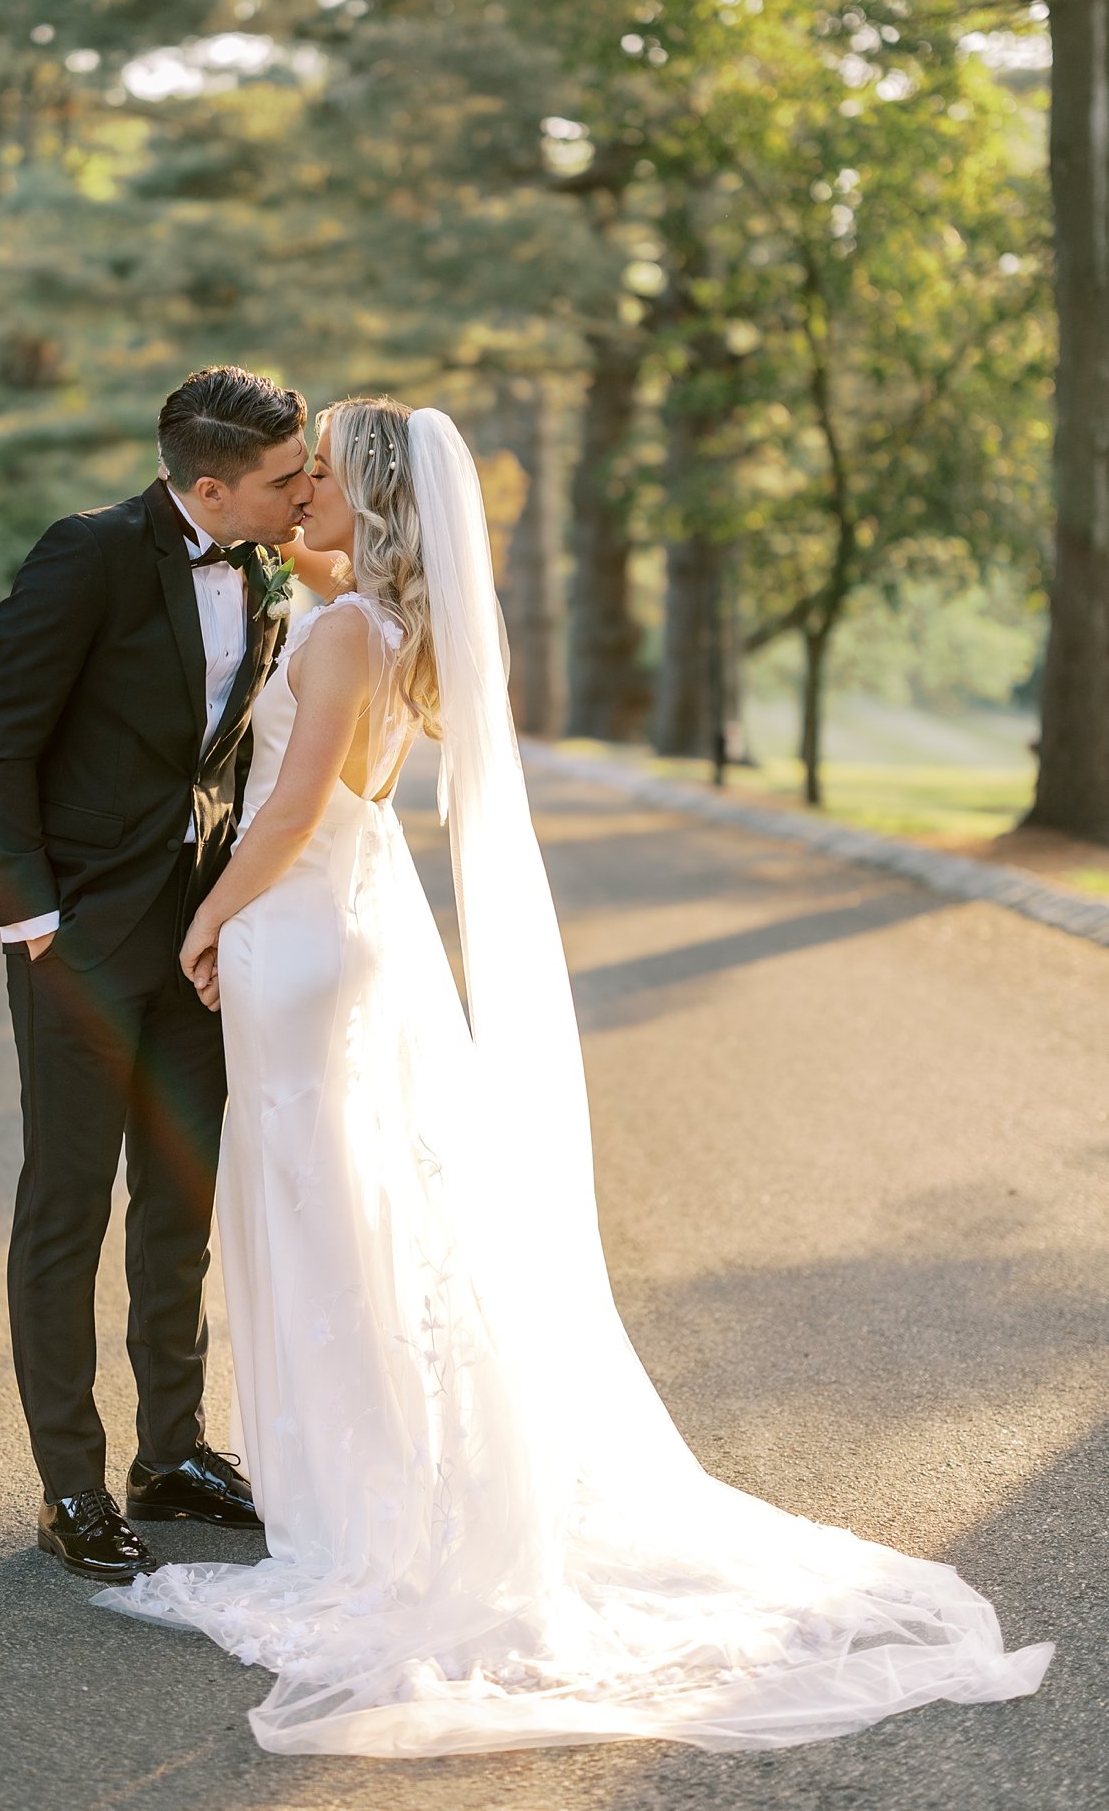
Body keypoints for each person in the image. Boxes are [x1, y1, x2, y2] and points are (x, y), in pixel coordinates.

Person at [93, 399, 1053, 1757]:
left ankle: (358, 1508)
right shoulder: (380, 620)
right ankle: (366, 1481)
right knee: (348, 1203)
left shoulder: (353, 628)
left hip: (297, 921)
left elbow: (297, 802)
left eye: (319, 474)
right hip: (344, 920)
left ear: (367, 501)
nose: (299, 488)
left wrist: (206, 914)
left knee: (320, 1207)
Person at [0, 365, 314, 1582]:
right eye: (284, 477)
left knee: (180, 1202)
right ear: (209, 483)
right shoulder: (88, 554)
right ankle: (72, 1481)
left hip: (201, 936)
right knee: (67, 1208)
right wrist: (31, 919)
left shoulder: (262, 561)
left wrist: (225, 911)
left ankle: (175, 1450)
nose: (304, 489)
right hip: (80, 941)